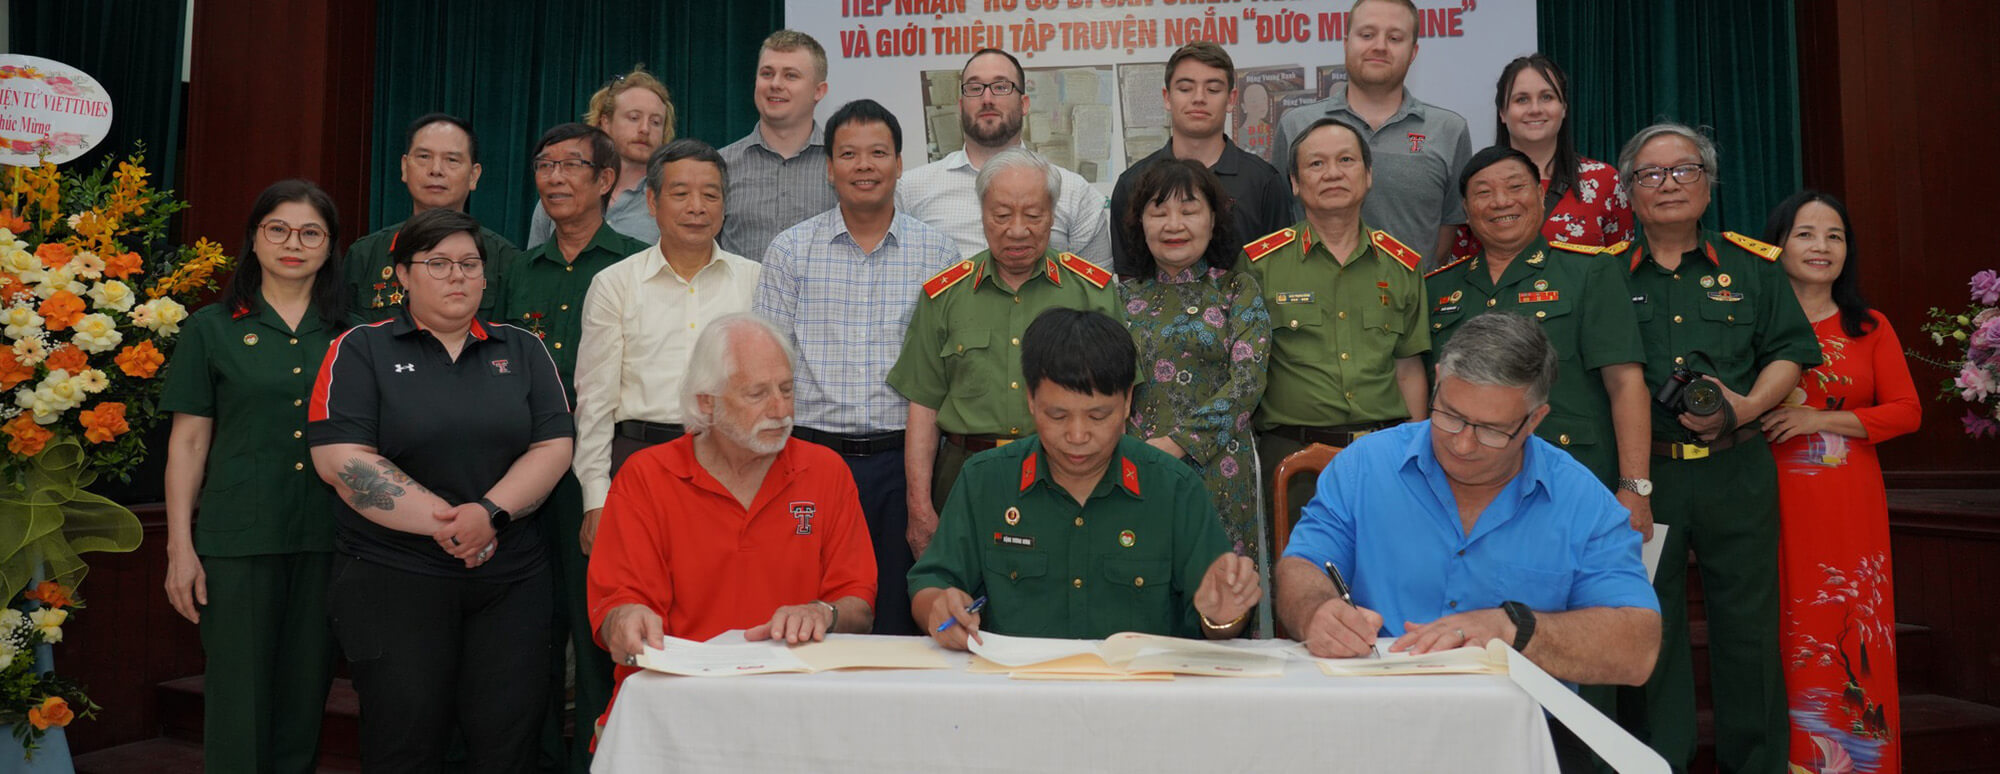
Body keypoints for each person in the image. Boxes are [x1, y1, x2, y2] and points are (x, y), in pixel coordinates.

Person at [1276, 312, 1660, 773]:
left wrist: (1514, 630)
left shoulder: (1583, 502)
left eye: (1492, 429)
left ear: (1535, 419)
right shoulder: (1364, 467)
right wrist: (1316, 611)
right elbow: (1303, 567)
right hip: (1372, 718)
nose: (1462, 445)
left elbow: (1637, 648)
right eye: (1451, 416)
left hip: (1520, 731)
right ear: (1436, 382)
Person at [308, 208, 575, 772]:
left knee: (509, 741)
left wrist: (488, 514)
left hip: (511, 581)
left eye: (469, 264)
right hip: (395, 576)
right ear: (402, 274)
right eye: (438, 263)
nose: (457, 276)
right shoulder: (360, 348)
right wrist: (452, 526)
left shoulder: (523, 350)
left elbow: (553, 448)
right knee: (405, 741)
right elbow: (341, 460)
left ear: (486, 277)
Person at [1618, 122, 1822, 774]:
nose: (1668, 183)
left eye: (1683, 170)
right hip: (1648, 481)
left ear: (1708, 186)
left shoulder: (1754, 266)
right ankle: (1657, 763)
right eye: (1651, 174)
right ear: (1630, 193)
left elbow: (1791, 352)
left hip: (1739, 471)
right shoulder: (1602, 276)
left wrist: (1748, 406)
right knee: (1652, 629)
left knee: (1750, 635)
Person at [908, 308, 1260, 646]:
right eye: (1058, 416)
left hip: (1138, 695)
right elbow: (932, 582)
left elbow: (1218, 620)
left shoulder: (1174, 488)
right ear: (1031, 400)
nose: (1077, 436)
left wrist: (1224, 618)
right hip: (1019, 693)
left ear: (1126, 403)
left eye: (1097, 416)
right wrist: (938, 606)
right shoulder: (985, 480)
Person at [589, 313, 877, 723]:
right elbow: (619, 602)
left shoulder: (826, 471)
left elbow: (859, 606)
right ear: (707, 402)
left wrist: (822, 612)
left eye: (787, 389)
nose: (780, 409)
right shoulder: (647, 477)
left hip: (798, 702)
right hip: (676, 702)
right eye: (757, 393)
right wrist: (625, 618)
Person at [160, 179, 349, 774]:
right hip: (236, 540)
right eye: (278, 229)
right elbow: (188, 442)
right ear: (255, 238)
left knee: (304, 697)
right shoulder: (210, 329)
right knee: (238, 700)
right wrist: (179, 548)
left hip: (330, 538)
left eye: (310, 232)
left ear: (329, 246)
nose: (294, 243)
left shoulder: (357, 333)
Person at [753, 99, 959, 636]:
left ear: (898, 163)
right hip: (810, 459)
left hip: (902, 463)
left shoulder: (937, 252)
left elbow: (941, 374)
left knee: (898, 616)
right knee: (809, 613)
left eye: (877, 153)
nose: (863, 166)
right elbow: (768, 363)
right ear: (829, 166)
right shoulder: (791, 251)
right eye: (849, 154)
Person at [492, 122, 647, 773]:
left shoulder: (639, 264)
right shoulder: (513, 273)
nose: (555, 178)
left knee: (597, 636)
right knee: (524, 638)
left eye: (572, 166)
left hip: (602, 479)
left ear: (607, 180)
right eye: (545, 165)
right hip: (522, 480)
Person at [886, 147, 1123, 561]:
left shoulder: (1093, 293)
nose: (1017, 230)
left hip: (1067, 476)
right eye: (1002, 215)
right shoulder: (944, 296)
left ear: (1053, 215)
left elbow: (1121, 404)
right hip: (964, 479)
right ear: (981, 214)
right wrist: (919, 508)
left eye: (1033, 216)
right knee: (957, 603)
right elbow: (922, 408)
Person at [1760, 191, 1920, 773]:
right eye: (1805, 234)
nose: (1821, 247)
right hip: (1769, 499)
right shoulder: (1754, 320)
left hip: (1849, 504)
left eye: (1834, 236)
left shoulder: (1869, 326)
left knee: (1852, 630)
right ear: (1776, 244)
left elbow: (1906, 411)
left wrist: (1818, 419)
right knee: (1783, 629)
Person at [1423, 146, 1652, 536]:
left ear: (1540, 197)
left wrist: (1634, 488)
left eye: (1515, 187)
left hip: (1570, 476)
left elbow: (1626, 383)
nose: (1501, 202)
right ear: (1465, 209)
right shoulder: (1438, 288)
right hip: (1464, 483)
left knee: (1574, 598)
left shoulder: (1589, 271)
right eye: (1483, 192)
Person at [1247, 117, 1429, 561]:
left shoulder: (1402, 266)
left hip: (1384, 456)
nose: (1332, 173)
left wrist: (1416, 455)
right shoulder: (1259, 265)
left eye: (1346, 160)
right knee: (1297, 586)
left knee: (1386, 577)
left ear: (1368, 175)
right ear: (1294, 182)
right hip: (1291, 461)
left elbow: (1409, 368)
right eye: (1316, 164)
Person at [572, 139, 760, 557]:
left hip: (733, 464)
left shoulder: (756, 281)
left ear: (724, 205)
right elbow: (595, 400)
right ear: (652, 202)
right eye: (681, 194)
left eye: (711, 195)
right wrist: (596, 497)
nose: (697, 206)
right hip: (640, 460)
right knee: (641, 603)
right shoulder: (614, 284)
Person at [1118, 159, 1272, 586]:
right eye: (1159, 210)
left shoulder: (1237, 290)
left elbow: (1248, 383)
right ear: (1140, 222)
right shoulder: (1118, 297)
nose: (1174, 224)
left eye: (1189, 210)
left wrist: (1177, 444)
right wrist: (1139, 452)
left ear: (1213, 219)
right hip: (1134, 467)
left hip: (1219, 468)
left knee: (1221, 593)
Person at [1270, 0, 1472, 270]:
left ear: (1413, 52)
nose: (1379, 46)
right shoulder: (1296, 125)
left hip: (1411, 305)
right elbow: (1281, 222)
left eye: (1394, 37)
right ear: (1346, 43)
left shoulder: (1448, 130)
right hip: (1314, 306)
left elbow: (1446, 233)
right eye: (1367, 35)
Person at [897, 48, 1113, 269]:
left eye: (1001, 87)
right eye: (974, 88)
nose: (987, 99)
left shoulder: (1074, 192)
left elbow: (1096, 292)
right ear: (961, 106)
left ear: (1024, 104)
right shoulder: (911, 190)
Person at [1109, 41, 1292, 279]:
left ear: (1231, 99)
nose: (1199, 98)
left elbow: (1279, 273)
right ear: (1167, 97)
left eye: (1213, 90)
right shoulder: (1133, 182)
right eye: (1185, 89)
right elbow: (1128, 278)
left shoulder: (1264, 181)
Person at [1448, 54, 1630, 261]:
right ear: (1502, 113)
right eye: (1522, 99)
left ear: (1564, 108)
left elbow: (1621, 271)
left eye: (1547, 97)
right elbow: (1460, 271)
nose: (1535, 109)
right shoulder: (1476, 183)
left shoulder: (1604, 181)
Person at [346, 113, 520, 322]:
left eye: (452, 160)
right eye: (424, 157)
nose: (436, 170)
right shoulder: (364, 255)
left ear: (474, 175)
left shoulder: (505, 259)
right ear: (404, 167)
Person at [718, 30, 839, 262]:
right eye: (767, 73)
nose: (775, 84)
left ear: (819, 91)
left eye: (790, 76)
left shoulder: (843, 166)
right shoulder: (720, 165)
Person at [527, 66, 675, 248]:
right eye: (634, 117)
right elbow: (535, 267)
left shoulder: (671, 201)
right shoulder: (559, 193)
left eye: (656, 122)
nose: (645, 129)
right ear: (605, 122)